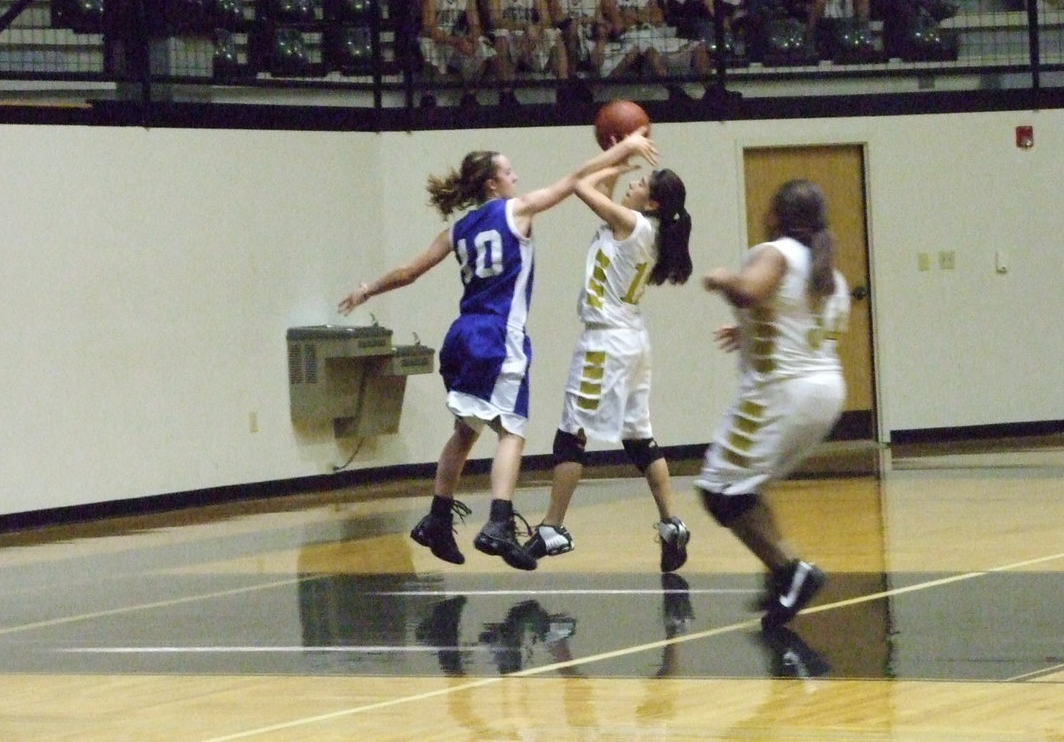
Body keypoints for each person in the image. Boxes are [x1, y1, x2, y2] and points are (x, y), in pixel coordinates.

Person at [338, 133, 658, 571]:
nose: (516, 178)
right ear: (492, 184)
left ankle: (437, 517)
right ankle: (499, 522)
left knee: (466, 432)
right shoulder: (516, 210)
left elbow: (410, 272)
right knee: (512, 431)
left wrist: (367, 289)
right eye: (509, 172)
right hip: (498, 336)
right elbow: (573, 181)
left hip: (461, 336)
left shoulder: (457, 229)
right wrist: (625, 149)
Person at [694, 179, 851, 629]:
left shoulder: (777, 252)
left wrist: (723, 278)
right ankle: (779, 577)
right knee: (746, 487)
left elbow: (748, 291)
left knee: (719, 491)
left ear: (775, 216)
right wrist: (748, 332)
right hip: (826, 391)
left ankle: (790, 571)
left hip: (780, 392)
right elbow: (801, 323)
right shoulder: (830, 273)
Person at [525, 158, 694, 573]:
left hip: (605, 342)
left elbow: (580, 184)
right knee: (639, 438)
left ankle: (552, 528)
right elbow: (601, 191)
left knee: (571, 434)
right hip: (632, 339)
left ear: (651, 201)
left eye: (639, 182)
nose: (630, 184)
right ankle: (672, 524)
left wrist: (614, 156)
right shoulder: (651, 229)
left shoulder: (634, 225)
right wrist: (618, 156)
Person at [600, 0, 710, 91]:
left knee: (699, 46)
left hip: (657, 36)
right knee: (651, 51)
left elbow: (659, 19)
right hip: (632, 41)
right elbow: (619, 26)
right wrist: (644, 14)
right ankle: (673, 92)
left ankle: (712, 90)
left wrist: (631, 15)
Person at [486, 0, 569, 104]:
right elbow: (494, 19)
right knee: (501, 36)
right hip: (509, 34)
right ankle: (506, 94)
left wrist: (535, 30)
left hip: (531, 35)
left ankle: (563, 89)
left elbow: (545, 17)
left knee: (554, 35)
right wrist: (524, 26)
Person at [418, 0, 496, 107]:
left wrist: (472, 39)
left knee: (484, 47)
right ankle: (428, 94)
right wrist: (456, 41)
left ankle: (470, 95)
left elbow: (474, 23)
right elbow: (428, 26)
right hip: (435, 36)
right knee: (428, 44)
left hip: (454, 37)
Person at [548, 0, 609, 76]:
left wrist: (579, 20)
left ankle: (594, 75)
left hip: (586, 38)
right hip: (561, 38)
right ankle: (571, 72)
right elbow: (556, 18)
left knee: (602, 32)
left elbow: (599, 19)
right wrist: (582, 20)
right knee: (572, 28)